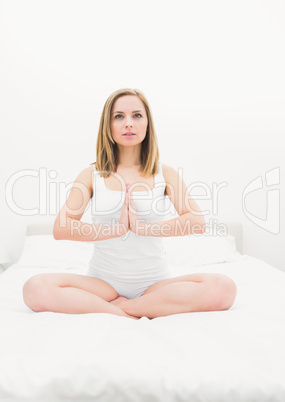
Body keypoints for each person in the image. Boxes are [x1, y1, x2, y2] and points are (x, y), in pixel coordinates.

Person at [23, 88, 237, 319]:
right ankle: (133, 310)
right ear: (109, 125)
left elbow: (196, 222)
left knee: (224, 288)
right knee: (34, 288)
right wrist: (114, 231)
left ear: (147, 124)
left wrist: (144, 229)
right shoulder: (91, 174)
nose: (128, 124)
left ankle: (122, 309)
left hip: (155, 284)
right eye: (119, 116)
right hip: (103, 284)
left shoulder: (164, 173)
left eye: (137, 115)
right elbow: (61, 228)